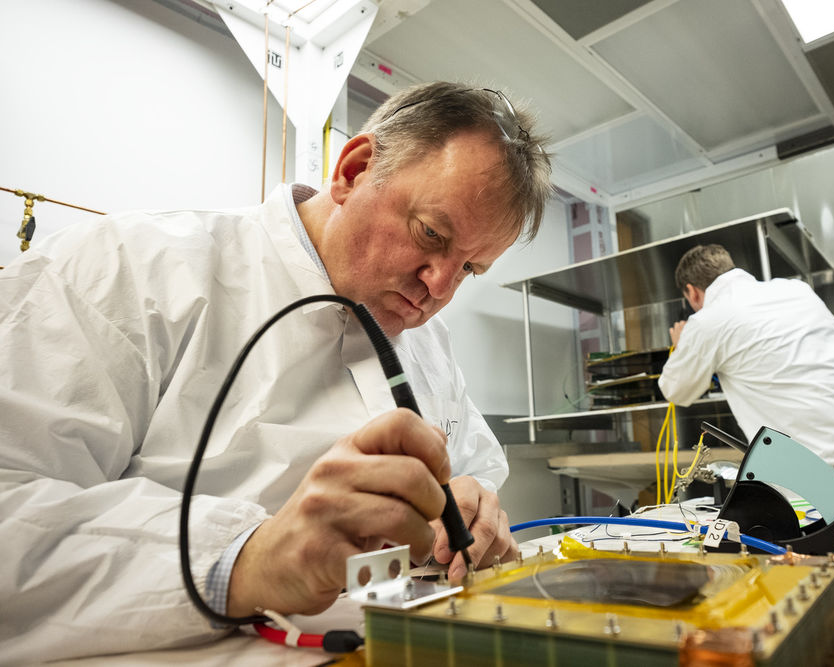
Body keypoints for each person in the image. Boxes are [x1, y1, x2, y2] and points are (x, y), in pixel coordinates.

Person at [0, 82, 552, 662]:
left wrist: (470, 507)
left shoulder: (430, 345)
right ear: (354, 170)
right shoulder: (130, 267)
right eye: (430, 233)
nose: (438, 287)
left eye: (469, 268)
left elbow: (475, 471)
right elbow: (13, 505)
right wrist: (247, 559)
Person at [657, 244, 834, 483]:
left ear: (693, 292)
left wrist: (682, 346)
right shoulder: (796, 290)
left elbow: (676, 390)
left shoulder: (706, 321)